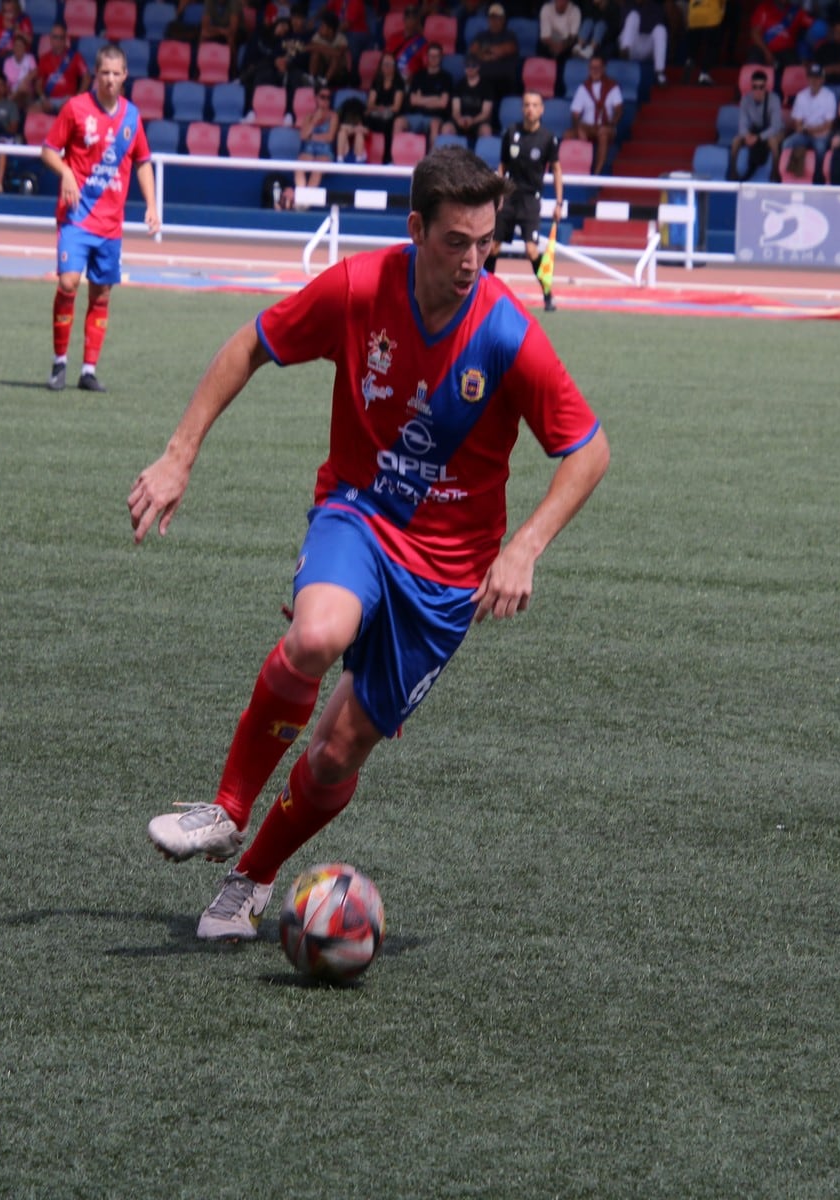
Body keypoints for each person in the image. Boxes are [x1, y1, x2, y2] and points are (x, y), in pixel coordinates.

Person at [131, 145, 610, 941]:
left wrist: (524, 546)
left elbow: (588, 449)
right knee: (317, 635)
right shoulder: (357, 288)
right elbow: (250, 342)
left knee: (333, 755)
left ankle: (249, 880)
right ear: (416, 228)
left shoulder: (506, 333)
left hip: (448, 580)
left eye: (486, 242)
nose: (472, 259)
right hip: (359, 515)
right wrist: (178, 456)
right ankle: (225, 807)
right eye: (456, 241)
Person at [40, 45, 159, 392]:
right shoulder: (76, 108)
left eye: (115, 73)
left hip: (110, 223)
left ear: (125, 76)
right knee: (68, 283)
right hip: (76, 215)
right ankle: (59, 362)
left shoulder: (132, 117)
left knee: (102, 293)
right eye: (103, 73)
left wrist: (151, 205)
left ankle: (88, 369)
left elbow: (143, 162)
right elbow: (48, 150)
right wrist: (64, 172)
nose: (109, 79)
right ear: (96, 74)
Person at [491, 91, 562, 312]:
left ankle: (548, 294)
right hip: (508, 197)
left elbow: (557, 169)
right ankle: (482, 293)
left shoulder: (548, 138)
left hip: (531, 200)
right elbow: (501, 166)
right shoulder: (511, 133)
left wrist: (559, 202)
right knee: (493, 248)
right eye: (526, 105)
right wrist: (496, 192)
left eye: (535, 105)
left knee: (532, 251)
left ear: (541, 110)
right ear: (522, 109)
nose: (530, 109)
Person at [570, 54, 625, 173]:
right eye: (592, 68)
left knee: (603, 134)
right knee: (567, 135)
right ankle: (576, 170)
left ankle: (597, 173)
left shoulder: (613, 87)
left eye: (598, 67)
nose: (594, 71)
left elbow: (619, 110)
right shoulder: (583, 87)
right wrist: (578, 127)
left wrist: (610, 125)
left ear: (604, 68)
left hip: (606, 126)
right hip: (588, 127)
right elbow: (575, 113)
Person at [782, 62, 836, 180]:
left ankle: (818, 178)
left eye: (817, 77)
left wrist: (807, 129)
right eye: (811, 77)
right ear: (808, 78)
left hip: (821, 134)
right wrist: (805, 129)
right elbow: (797, 123)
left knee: (820, 147)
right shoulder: (801, 96)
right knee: (787, 143)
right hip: (805, 133)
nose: (814, 81)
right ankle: (787, 179)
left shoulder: (829, 96)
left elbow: (828, 125)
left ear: (822, 79)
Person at [730, 68, 784, 182]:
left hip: (770, 131)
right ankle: (732, 171)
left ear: (766, 87)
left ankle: (775, 172)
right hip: (754, 130)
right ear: (751, 87)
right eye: (755, 87)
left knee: (773, 142)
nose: (758, 90)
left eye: (761, 87)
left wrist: (759, 137)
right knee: (736, 140)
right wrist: (747, 136)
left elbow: (776, 126)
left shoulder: (774, 99)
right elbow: (742, 124)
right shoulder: (745, 100)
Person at [469, 3, 524, 103]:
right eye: (491, 18)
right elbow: (473, 49)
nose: (494, 21)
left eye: (497, 18)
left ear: (503, 20)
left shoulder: (509, 35)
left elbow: (503, 50)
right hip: (483, 79)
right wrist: (488, 54)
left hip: (503, 81)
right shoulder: (481, 35)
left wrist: (484, 52)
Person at [407, 42, 455, 146]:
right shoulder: (418, 75)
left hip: (436, 116)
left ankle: (432, 159)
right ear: (427, 57)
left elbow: (443, 103)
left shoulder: (446, 77)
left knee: (434, 124)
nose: (433, 58)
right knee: (398, 122)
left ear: (441, 57)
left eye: (436, 56)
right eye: (431, 56)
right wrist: (434, 98)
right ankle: (395, 158)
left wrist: (421, 99)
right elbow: (412, 100)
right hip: (417, 115)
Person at [35, 23, 87, 113]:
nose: (58, 40)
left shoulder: (75, 57)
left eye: (61, 37)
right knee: (32, 110)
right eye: (55, 37)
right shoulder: (44, 59)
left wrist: (76, 97)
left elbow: (87, 78)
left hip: (68, 99)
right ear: (50, 39)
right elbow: (38, 84)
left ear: (65, 39)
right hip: (49, 99)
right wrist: (43, 99)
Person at [295, 84, 340, 186]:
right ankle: (302, 198)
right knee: (298, 166)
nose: (325, 101)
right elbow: (302, 136)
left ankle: (305, 201)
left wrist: (311, 137)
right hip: (308, 150)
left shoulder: (333, 116)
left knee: (317, 168)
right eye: (322, 97)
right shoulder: (309, 116)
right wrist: (314, 121)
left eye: (328, 98)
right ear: (316, 98)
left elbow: (329, 137)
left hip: (325, 152)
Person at [619, 0, 670, 84]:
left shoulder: (655, 7)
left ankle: (659, 72)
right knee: (633, 15)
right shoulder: (628, 5)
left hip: (646, 45)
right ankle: (625, 52)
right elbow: (622, 25)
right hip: (631, 45)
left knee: (660, 29)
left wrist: (642, 23)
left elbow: (656, 24)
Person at [452, 56, 496, 141]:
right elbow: (455, 110)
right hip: (461, 120)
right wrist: (459, 119)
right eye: (467, 66)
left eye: (473, 66)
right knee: (447, 128)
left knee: (486, 130)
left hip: (478, 121)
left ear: (478, 67)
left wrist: (473, 120)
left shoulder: (487, 86)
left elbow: (486, 113)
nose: (470, 68)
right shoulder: (459, 85)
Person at [306, 10, 353, 87]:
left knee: (335, 57)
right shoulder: (317, 36)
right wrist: (325, 49)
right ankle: (311, 79)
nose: (319, 28)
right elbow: (308, 47)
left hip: (338, 73)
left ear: (330, 30)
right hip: (322, 69)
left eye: (322, 26)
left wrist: (320, 47)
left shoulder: (341, 38)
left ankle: (324, 82)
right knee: (315, 53)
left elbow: (338, 53)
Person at [540, 0, 584, 75]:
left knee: (571, 49)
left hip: (566, 44)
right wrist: (554, 45)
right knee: (542, 47)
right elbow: (545, 36)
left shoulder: (575, 10)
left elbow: (573, 36)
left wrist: (562, 46)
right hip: (550, 42)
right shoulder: (546, 8)